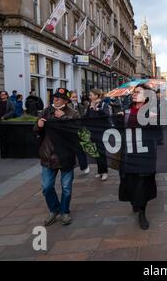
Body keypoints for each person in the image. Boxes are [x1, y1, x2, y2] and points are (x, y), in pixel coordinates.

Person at [35, 88, 80, 226]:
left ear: (66, 101)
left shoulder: (73, 113)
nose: (55, 99)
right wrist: (38, 125)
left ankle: (64, 211)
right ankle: (54, 209)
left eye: (59, 98)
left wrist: (64, 118)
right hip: (48, 155)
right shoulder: (46, 111)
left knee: (66, 187)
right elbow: (36, 129)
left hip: (66, 155)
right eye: (54, 97)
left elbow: (77, 131)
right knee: (47, 187)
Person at [119, 84, 160, 230]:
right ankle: (134, 202)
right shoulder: (126, 110)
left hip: (145, 154)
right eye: (134, 92)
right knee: (130, 181)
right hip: (129, 153)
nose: (135, 94)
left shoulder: (153, 110)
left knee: (143, 183)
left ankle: (142, 212)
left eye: (139, 92)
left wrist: (154, 122)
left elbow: (158, 133)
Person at [86, 89, 111, 181]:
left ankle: (104, 172)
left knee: (101, 152)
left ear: (97, 95)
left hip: (101, 131)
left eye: (91, 95)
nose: (89, 96)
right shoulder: (89, 105)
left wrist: (97, 109)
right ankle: (100, 171)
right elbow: (87, 117)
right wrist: (90, 109)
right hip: (92, 131)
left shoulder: (104, 104)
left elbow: (106, 116)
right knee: (96, 152)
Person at [68, 91, 90, 176]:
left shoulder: (81, 106)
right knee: (70, 150)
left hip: (79, 130)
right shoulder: (67, 107)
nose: (75, 99)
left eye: (76, 97)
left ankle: (84, 165)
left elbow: (83, 117)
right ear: (70, 98)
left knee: (80, 149)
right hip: (69, 132)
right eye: (73, 97)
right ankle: (70, 166)